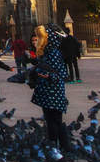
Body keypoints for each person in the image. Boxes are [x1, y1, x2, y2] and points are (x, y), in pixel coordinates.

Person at [29, 24, 75, 154]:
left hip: (53, 90)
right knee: (51, 120)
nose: (36, 40)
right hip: (47, 90)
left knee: (54, 120)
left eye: (39, 37)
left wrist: (48, 75)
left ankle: (57, 146)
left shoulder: (53, 52)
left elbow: (60, 73)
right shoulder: (48, 51)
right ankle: (59, 146)